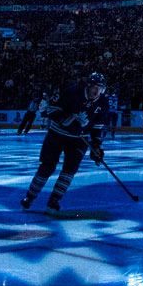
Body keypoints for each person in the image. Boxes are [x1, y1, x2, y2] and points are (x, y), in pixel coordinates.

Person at [20, 73, 108, 214]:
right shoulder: (72, 92)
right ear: (88, 86)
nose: (96, 91)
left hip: (79, 139)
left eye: (100, 88)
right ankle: (30, 196)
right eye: (94, 87)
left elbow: (97, 127)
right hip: (57, 134)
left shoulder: (103, 103)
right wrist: (69, 122)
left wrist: (97, 146)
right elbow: (52, 109)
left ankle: (54, 200)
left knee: (70, 170)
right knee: (47, 166)